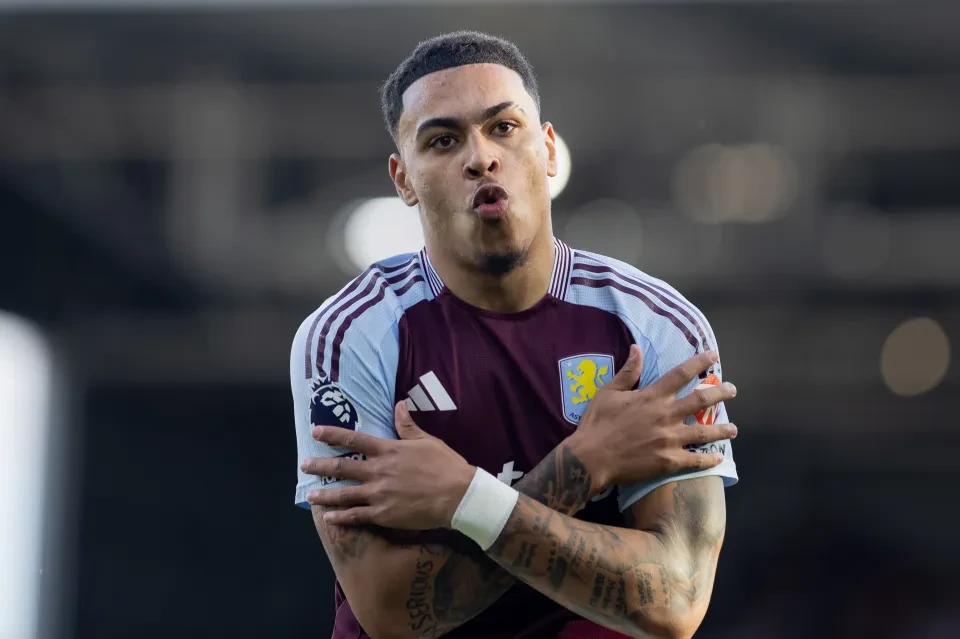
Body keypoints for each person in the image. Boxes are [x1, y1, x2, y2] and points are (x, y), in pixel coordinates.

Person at [291, 31, 739, 639]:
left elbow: (674, 602)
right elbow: (392, 613)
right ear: (403, 180)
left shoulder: (656, 327)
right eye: (443, 140)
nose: (480, 157)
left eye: (503, 127)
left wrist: (463, 498)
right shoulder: (350, 336)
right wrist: (585, 463)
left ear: (548, 150)